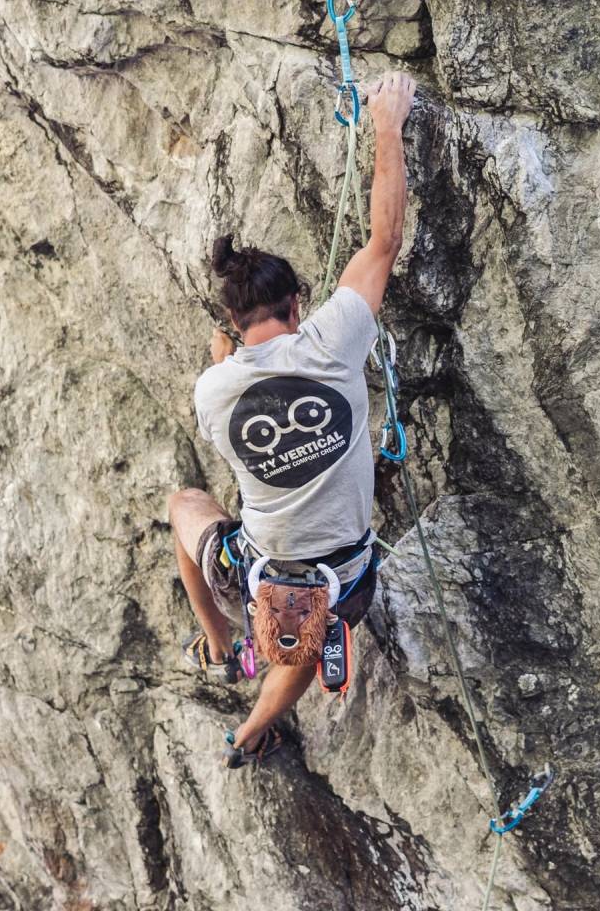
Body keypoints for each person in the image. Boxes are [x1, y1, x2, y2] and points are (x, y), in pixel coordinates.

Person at [166, 70, 416, 767]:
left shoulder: (213, 391)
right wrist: (387, 123)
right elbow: (385, 238)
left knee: (184, 505)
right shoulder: (334, 337)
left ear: (233, 319)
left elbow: (231, 385)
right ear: (297, 305)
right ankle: (257, 719)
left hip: (257, 572)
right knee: (319, 606)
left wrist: (220, 364)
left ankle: (216, 635)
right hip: (346, 576)